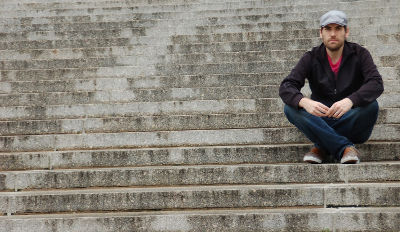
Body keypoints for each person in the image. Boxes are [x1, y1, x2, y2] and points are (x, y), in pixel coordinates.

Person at [279, 10, 384, 164]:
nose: (333, 34)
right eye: (328, 29)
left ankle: (321, 146)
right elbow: (286, 86)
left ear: (346, 32)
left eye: (338, 28)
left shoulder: (360, 53)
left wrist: (350, 101)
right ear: (321, 33)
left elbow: (376, 83)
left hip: (351, 118)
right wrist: (305, 102)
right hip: (322, 117)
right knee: (290, 108)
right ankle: (345, 148)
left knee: (371, 106)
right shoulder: (311, 57)